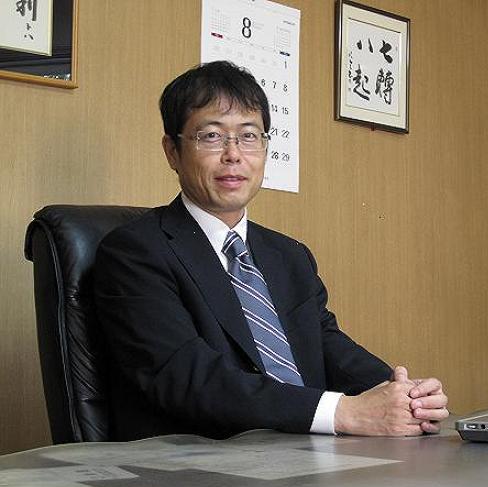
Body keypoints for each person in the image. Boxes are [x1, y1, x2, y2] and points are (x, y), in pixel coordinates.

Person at [94, 60, 448, 441]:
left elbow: (329, 347)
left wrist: (404, 395)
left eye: (249, 136)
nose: (233, 154)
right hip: (207, 460)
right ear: (172, 152)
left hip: (309, 454)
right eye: (211, 136)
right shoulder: (135, 252)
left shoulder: (289, 256)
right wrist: (343, 413)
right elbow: (189, 378)